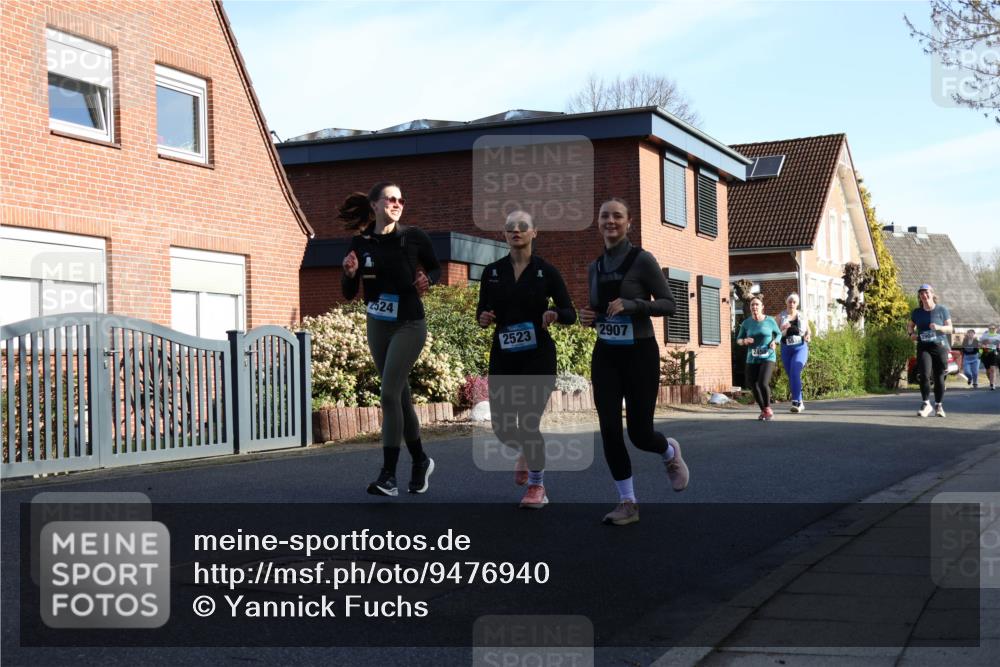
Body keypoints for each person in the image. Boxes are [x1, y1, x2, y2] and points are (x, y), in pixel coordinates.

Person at [578, 198, 689, 527]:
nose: (610, 221)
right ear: (598, 223)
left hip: (640, 352)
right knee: (610, 429)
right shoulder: (594, 267)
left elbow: (669, 304)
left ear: (629, 223)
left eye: (617, 216)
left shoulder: (643, 260)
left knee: (640, 434)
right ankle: (628, 502)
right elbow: (600, 311)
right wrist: (589, 316)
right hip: (607, 354)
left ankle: (668, 452)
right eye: (604, 216)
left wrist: (633, 305)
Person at [340, 181, 441, 496]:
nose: (397, 203)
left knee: (387, 395)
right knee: (400, 397)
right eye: (390, 199)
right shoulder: (361, 242)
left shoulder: (414, 237)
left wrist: (428, 279)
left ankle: (388, 476)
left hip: (409, 324)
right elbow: (348, 294)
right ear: (374, 205)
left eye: (401, 199)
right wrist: (349, 273)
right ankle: (421, 460)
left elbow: (436, 268)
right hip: (377, 324)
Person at [476, 210, 577, 509]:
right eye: (510, 228)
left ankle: (537, 487)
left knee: (529, 421)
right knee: (504, 427)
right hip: (504, 355)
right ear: (504, 235)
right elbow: (483, 310)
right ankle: (525, 450)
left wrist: (555, 314)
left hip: (538, 356)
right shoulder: (492, 272)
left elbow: (569, 312)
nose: (516, 231)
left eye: (522, 227)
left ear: (535, 232)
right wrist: (483, 317)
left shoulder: (547, 271)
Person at [907, 284, 954, 417]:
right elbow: (910, 325)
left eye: (926, 292)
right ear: (919, 296)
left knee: (939, 377)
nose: (924, 295)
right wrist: (911, 335)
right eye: (921, 293)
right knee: (924, 375)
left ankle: (939, 405)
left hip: (939, 346)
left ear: (932, 294)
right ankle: (926, 404)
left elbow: (950, 328)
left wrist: (939, 327)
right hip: (923, 346)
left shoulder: (941, 310)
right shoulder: (917, 312)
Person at [736, 295, 781, 421]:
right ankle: (763, 410)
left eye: (757, 304)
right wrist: (744, 341)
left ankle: (767, 408)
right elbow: (738, 340)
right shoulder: (746, 323)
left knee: (762, 382)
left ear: (762, 307)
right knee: (753, 384)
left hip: (768, 356)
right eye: (752, 305)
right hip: (752, 358)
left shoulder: (770, 320)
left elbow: (778, 334)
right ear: (750, 308)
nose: (754, 307)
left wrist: (775, 342)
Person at [778, 293, 812, 413]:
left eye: (794, 302)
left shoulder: (802, 316)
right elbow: (775, 332)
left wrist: (808, 335)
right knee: (791, 375)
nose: (792, 304)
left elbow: (809, 330)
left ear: (797, 304)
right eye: (790, 301)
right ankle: (800, 402)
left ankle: (796, 401)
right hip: (786, 348)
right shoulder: (780, 316)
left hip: (800, 348)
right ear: (786, 302)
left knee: (795, 371)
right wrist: (782, 330)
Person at [981, 323, 1000, 391]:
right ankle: (991, 381)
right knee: (988, 371)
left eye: (993, 328)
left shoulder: (998, 336)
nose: (992, 329)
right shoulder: (984, 335)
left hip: (994, 353)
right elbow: (981, 343)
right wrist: (984, 346)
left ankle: (993, 384)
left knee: (993, 369)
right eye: (990, 328)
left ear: (996, 329)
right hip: (986, 353)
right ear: (988, 329)